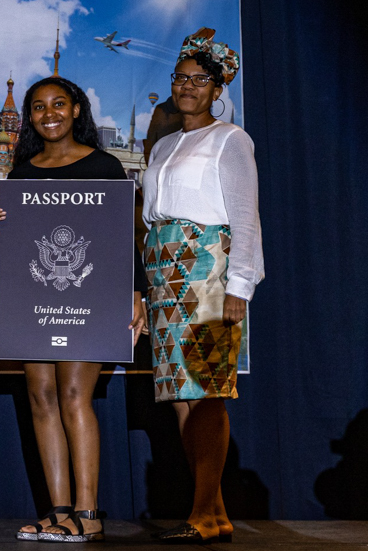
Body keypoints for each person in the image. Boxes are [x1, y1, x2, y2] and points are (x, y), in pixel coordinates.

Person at [0, 76, 149, 543]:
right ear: (30, 118)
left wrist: (136, 292)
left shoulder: (102, 165)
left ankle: (90, 511)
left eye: (59, 104)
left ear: (77, 109)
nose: (50, 114)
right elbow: (20, 251)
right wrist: (2, 225)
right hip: (35, 301)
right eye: (38, 107)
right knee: (41, 399)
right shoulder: (21, 175)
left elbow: (124, 236)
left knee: (75, 397)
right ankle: (60, 511)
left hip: (89, 299)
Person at [143, 29, 262, 545]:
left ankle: (204, 511)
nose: (187, 86)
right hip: (163, 275)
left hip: (208, 271)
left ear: (217, 88)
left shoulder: (231, 139)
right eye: (181, 78)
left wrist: (240, 286)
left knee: (208, 392)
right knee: (180, 397)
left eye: (199, 80)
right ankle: (210, 513)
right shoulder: (164, 144)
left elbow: (245, 218)